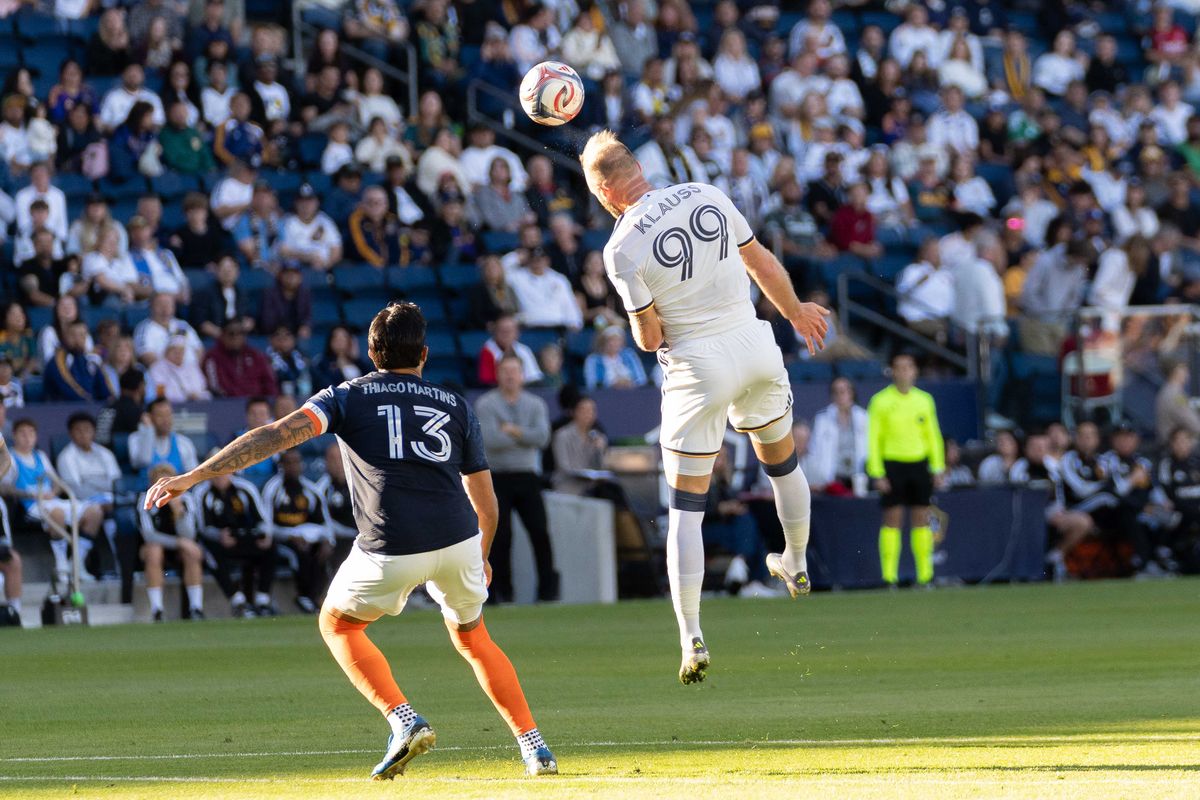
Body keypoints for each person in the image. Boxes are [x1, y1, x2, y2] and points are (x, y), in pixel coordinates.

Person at [144, 301, 558, 778]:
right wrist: (480, 555)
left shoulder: (347, 396)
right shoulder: (454, 404)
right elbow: (486, 504)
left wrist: (195, 475)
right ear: (424, 354)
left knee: (337, 625)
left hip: (391, 544)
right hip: (457, 539)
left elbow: (278, 435)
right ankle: (534, 746)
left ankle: (403, 719)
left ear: (370, 351)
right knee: (474, 638)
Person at [579, 130, 829, 683]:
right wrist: (796, 313)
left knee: (685, 510)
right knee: (783, 464)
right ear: (638, 167)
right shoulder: (706, 193)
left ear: (603, 190)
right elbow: (761, 263)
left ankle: (691, 636)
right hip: (755, 343)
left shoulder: (620, 247)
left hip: (697, 364)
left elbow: (647, 337)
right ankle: (797, 562)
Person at [474, 356, 558, 604]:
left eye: (515, 371)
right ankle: (501, 593)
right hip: (498, 476)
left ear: (523, 375)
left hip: (527, 475)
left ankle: (548, 593)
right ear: (498, 375)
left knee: (540, 532)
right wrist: (524, 435)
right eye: (506, 371)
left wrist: (512, 430)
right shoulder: (486, 403)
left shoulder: (535, 403)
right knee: (501, 537)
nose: (510, 376)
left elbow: (542, 437)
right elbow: (490, 440)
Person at [867, 353, 945, 589]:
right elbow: (873, 439)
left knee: (921, 519)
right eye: (899, 367)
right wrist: (877, 472)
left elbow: (933, 435)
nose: (904, 372)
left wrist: (938, 466)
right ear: (892, 372)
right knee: (893, 520)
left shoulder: (924, 400)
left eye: (908, 367)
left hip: (919, 464)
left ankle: (925, 576)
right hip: (892, 465)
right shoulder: (880, 401)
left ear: (915, 371)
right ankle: (889, 577)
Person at [3, 418, 105, 588]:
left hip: (52, 500)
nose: (27, 438)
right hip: (30, 506)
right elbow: (5, 488)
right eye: (22, 434)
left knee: (95, 512)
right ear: (14, 436)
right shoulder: (10, 458)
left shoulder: (40, 456)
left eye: (31, 433)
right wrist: (32, 494)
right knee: (57, 513)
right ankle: (62, 566)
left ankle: (77, 565)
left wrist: (54, 492)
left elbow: (56, 481)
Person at [195, 471, 277, 617]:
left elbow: (262, 519)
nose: (219, 476)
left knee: (270, 547)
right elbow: (202, 527)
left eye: (222, 471)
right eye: (214, 471)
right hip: (217, 539)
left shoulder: (245, 488)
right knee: (211, 553)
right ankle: (237, 600)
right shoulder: (202, 492)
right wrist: (219, 535)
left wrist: (265, 534)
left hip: (243, 536)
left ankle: (263, 600)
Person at [261, 449, 332, 613]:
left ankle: (315, 597)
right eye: (289, 463)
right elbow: (267, 527)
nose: (293, 467)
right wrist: (290, 536)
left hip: (307, 538)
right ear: (281, 466)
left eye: (296, 462)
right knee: (299, 553)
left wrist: (327, 540)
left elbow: (324, 523)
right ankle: (304, 595)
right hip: (282, 540)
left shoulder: (311, 490)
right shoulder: (272, 489)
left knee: (324, 552)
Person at [137, 463, 204, 621]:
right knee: (154, 551)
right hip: (155, 548)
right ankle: (157, 610)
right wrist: (179, 542)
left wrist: (179, 513)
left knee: (191, 552)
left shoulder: (186, 499)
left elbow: (190, 534)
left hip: (181, 551)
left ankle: (196, 608)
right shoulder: (145, 500)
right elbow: (149, 535)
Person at [807, 378, 868, 493]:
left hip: (858, 477)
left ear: (852, 393)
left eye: (844, 391)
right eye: (836, 392)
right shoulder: (822, 419)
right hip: (832, 478)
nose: (841, 395)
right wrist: (819, 477)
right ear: (832, 395)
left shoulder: (864, 417)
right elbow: (814, 450)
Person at [203, 320, 278, 398]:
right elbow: (216, 387)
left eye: (240, 333)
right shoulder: (213, 357)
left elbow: (269, 384)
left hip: (257, 404)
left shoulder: (256, 356)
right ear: (222, 335)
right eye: (231, 334)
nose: (235, 337)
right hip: (227, 404)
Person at [129, 398, 200, 478]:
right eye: (160, 415)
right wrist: (148, 429)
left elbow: (193, 476)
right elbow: (143, 461)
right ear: (150, 417)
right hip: (146, 489)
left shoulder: (184, 442)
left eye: (168, 414)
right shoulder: (135, 439)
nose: (165, 420)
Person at [44, 320, 112, 403]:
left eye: (82, 335)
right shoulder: (57, 360)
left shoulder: (90, 360)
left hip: (90, 408)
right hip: (63, 410)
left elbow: (104, 389)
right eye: (73, 335)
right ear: (64, 336)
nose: (78, 340)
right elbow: (68, 390)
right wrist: (91, 402)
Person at [477, 314, 542, 386]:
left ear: (517, 333)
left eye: (509, 331)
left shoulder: (524, 350)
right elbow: (488, 383)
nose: (506, 334)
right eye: (502, 330)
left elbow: (534, 378)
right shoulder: (487, 351)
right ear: (495, 332)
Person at [583, 326, 648, 389]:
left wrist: (629, 383)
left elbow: (641, 379)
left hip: (632, 393)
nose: (615, 344)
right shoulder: (593, 360)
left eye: (618, 340)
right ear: (603, 342)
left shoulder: (629, 355)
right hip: (606, 395)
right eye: (611, 340)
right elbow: (592, 384)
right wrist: (612, 384)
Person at [1156, 360, 1200, 444]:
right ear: (1176, 371)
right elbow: (1195, 426)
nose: (1187, 372)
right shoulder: (1175, 395)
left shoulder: (1169, 391)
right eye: (1183, 368)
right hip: (1177, 446)